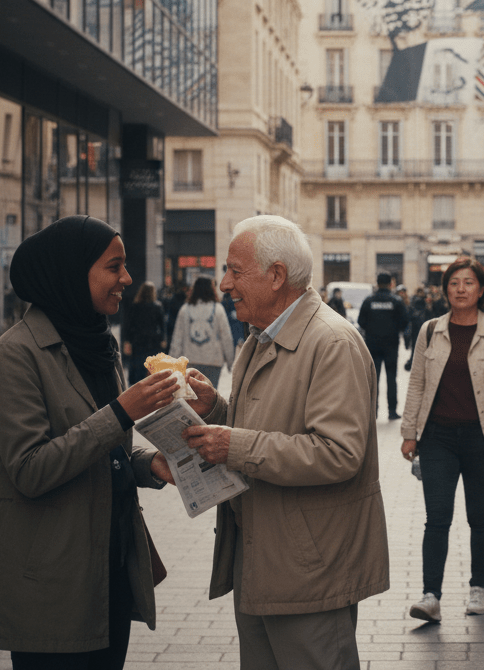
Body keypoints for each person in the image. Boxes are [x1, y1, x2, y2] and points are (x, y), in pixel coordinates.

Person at [180, 215, 390, 670]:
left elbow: (338, 454)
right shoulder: (260, 336)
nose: (223, 284)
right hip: (263, 558)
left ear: (276, 276)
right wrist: (216, 408)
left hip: (310, 569)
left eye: (235, 271)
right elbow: (268, 421)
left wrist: (231, 444)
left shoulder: (332, 342)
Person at [0, 215, 179, 669]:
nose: (127, 278)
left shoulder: (95, 343)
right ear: (72, 272)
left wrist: (149, 465)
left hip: (106, 571)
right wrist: (123, 411)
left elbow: (102, 444)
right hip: (51, 580)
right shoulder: (15, 355)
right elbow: (30, 470)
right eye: (114, 267)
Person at [401, 258, 484, 623]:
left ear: (482, 289)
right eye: (453, 283)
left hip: (482, 438)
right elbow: (417, 381)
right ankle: (430, 595)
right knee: (437, 518)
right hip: (438, 438)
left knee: (479, 516)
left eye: (468, 282)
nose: (460, 289)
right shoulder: (430, 330)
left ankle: (478, 587)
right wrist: (408, 433)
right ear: (445, 289)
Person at [358, 272, 408, 420]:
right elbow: (404, 322)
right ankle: (392, 411)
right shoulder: (396, 301)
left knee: (373, 379)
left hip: (372, 345)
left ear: (377, 283)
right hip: (391, 345)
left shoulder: (369, 301)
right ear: (391, 284)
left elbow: (361, 321)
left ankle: (373, 411)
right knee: (392, 378)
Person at [168, 276, 235, 387]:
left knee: (192, 397)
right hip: (213, 361)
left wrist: (173, 362)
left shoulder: (185, 309)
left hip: (190, 360)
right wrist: (229, 361)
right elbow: (226, 337)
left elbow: (177, 338)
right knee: (210, 396)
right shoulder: (218, 309)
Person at [122, 281, 165, 385]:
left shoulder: (134, 307)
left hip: (138, 340)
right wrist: (163, 339)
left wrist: (127, 341)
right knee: (152, 368)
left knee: (138, 367)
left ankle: (138, 389)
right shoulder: (157, 306)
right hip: (153, 341)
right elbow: (162, 325)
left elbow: (129, 325)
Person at [404, 288, 431, 371]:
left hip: (415, 329)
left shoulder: (412, 302)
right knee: (425, 347)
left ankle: (413, 362)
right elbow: (430, 315)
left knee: (415, 347)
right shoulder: (425, 302)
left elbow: (408, 316)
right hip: (424, 328)